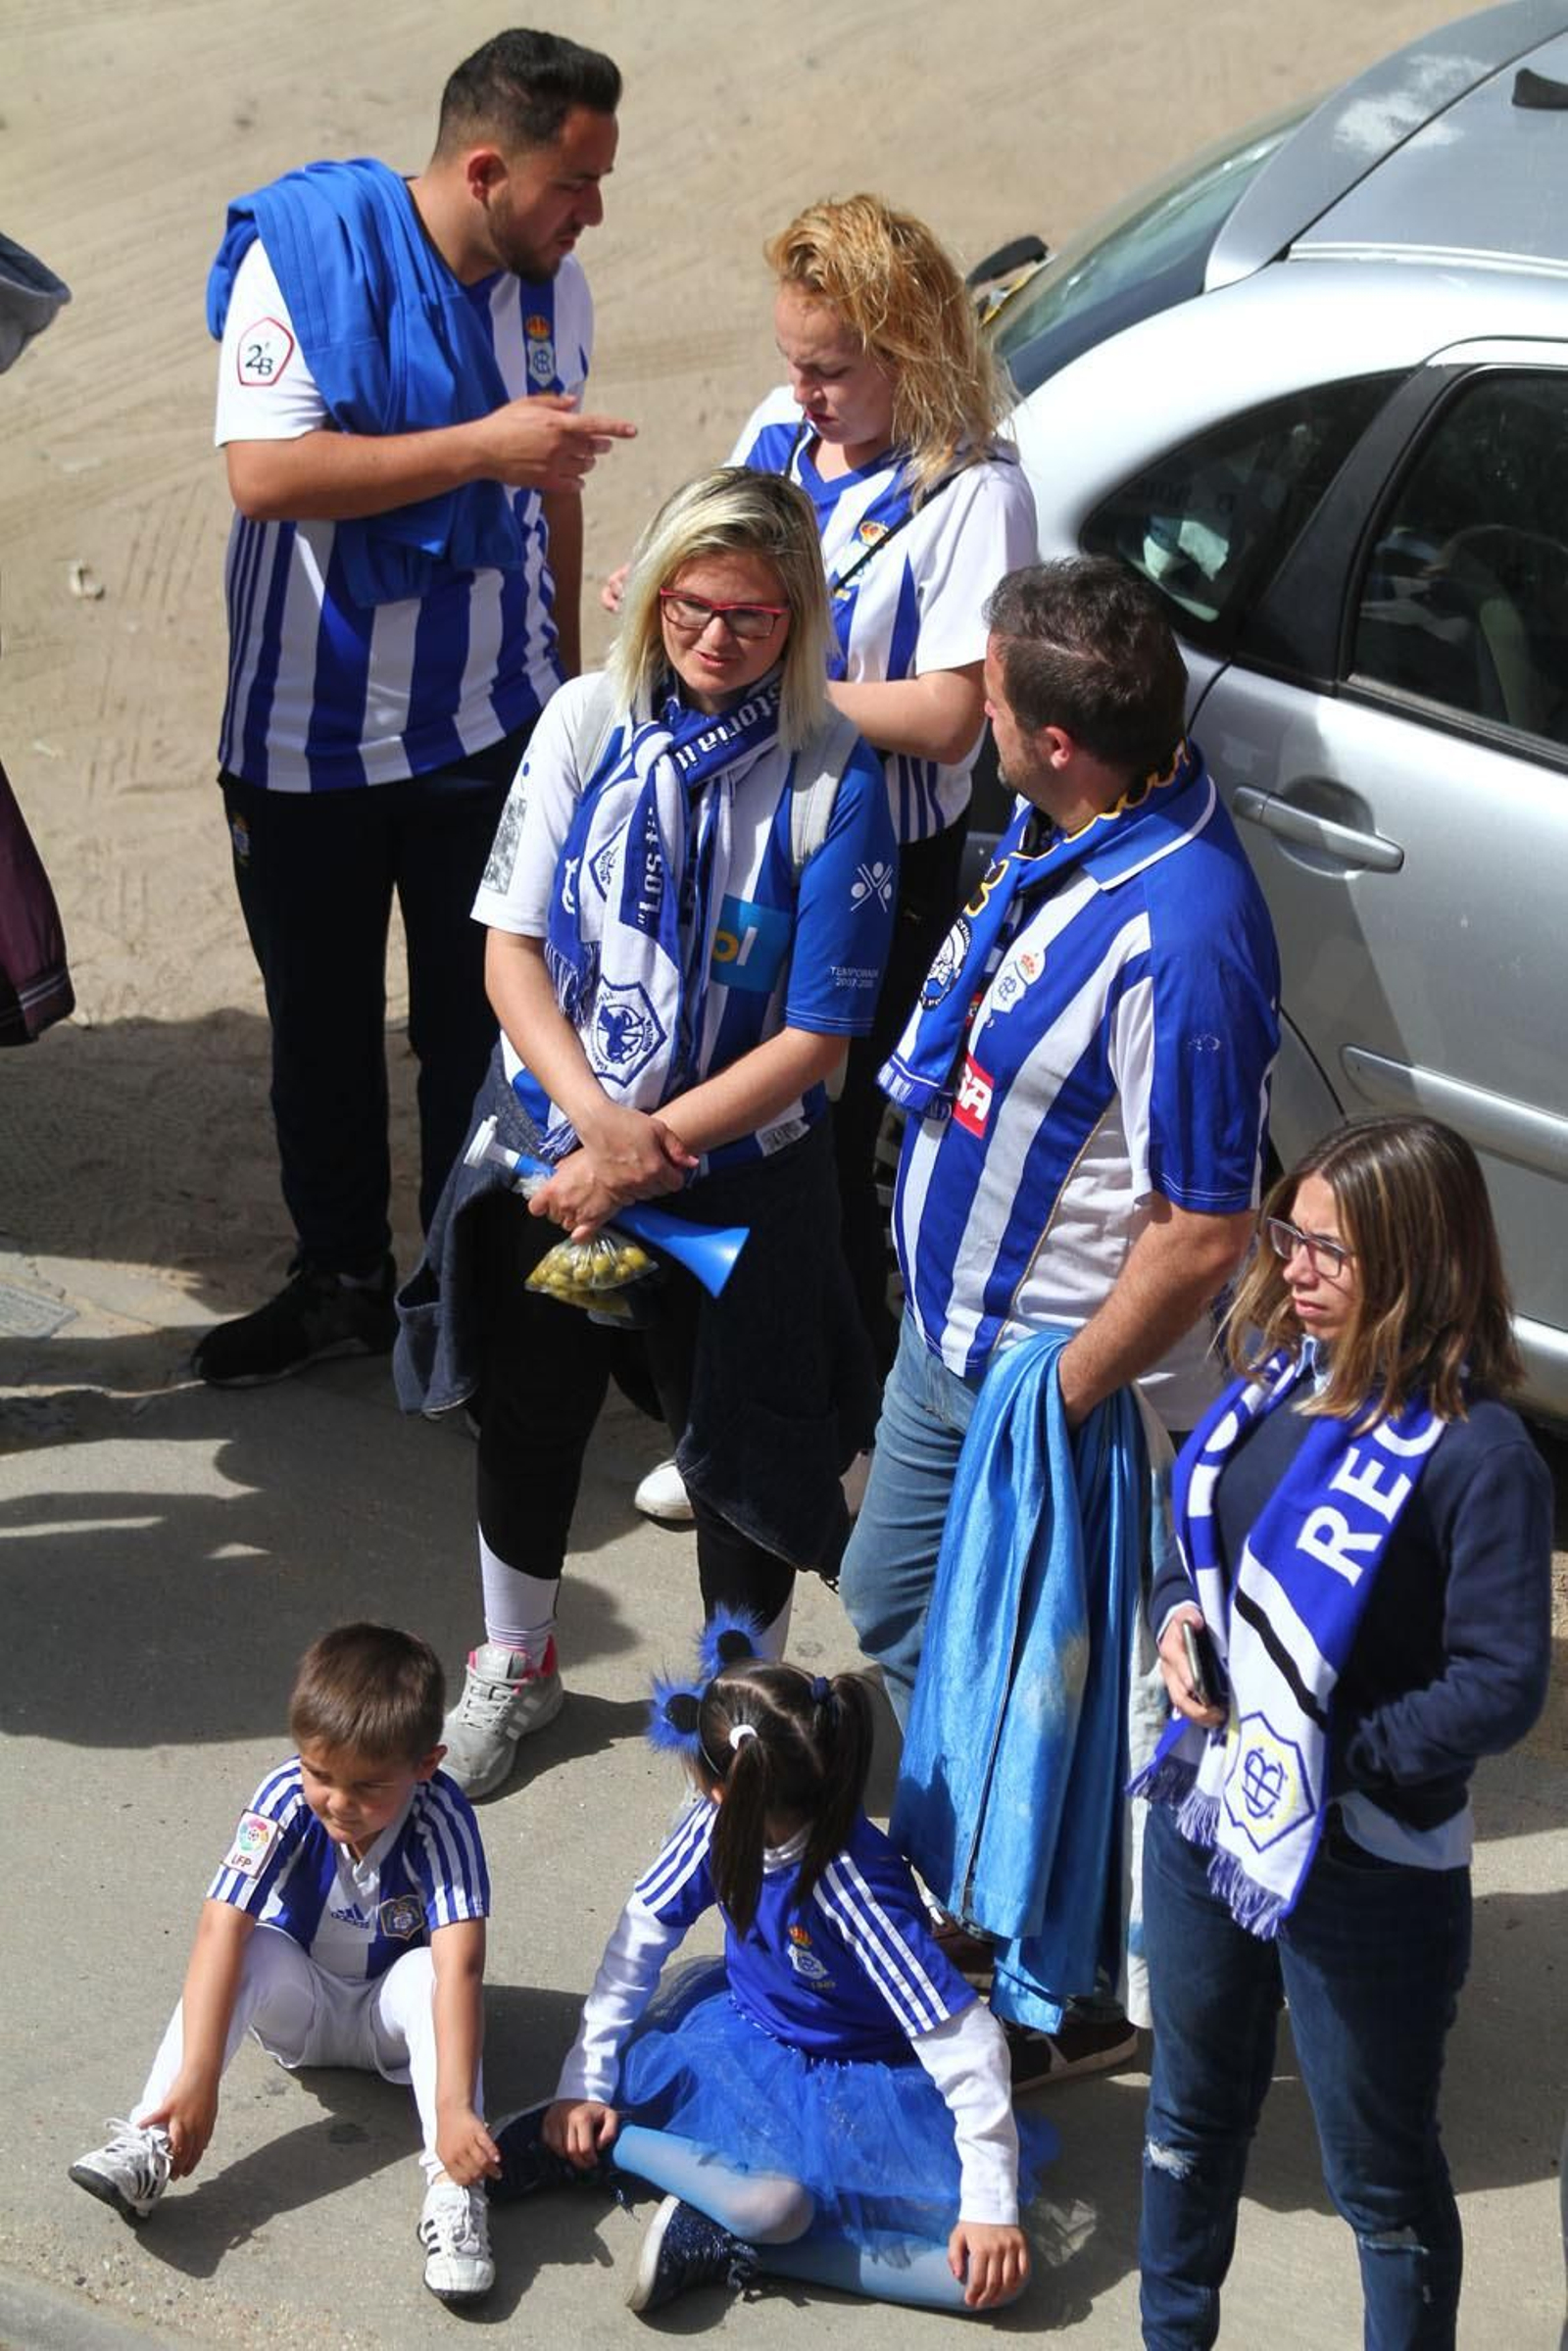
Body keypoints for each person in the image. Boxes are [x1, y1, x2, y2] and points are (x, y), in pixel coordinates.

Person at [839, 555, 1280, 2087]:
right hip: (953, 1344)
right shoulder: (1075, 814)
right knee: (899, 1603)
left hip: (1055, 1394)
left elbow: (1205, 1225)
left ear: (1057, 739)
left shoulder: (1187, 933)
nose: (975, 705)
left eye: (992, 691)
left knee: (1066, 1705)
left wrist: (1066, 1393)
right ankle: (989, 1891)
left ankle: (1076, 1984)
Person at [394, 467, 896, 1797]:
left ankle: (743, 1705)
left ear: (798, 619)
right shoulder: (584, 719)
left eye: (752, 614)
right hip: (560, 1154)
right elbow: (509, 951)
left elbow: (815, 1040)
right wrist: (596, 1132)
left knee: (740, 1456)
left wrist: (640, 1148)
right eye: (691, 603)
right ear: (656, 591)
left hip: (733, 1181)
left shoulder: (833, 772)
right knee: (532, 1404)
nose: (716, 636)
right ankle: (518, 1659)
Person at [193, 29, 636, 1387]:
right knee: (322, 1033)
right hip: (305, 746)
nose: (592, 212)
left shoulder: (552, 294)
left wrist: (564, 696)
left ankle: (462, 1292)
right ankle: (339, 1279)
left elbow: (552, 490)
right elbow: (265, 475)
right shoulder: (305, 260)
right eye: (574, 183)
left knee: (478, 1031)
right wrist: (483, 446)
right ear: (488, 170)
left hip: (484, 735)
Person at [630, 194, 1038, 1525]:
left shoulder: (975, 491)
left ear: (910, 351)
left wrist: (773, 688)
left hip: (878, 872)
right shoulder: (777, 430)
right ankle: (726, 1420)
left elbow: (951, 713)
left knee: (825, 1155)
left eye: (830, 367)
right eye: (794, 360)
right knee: (718, 1124)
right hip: (738, 838)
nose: (803, 392)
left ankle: (843, 1440)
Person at [1135, 1115, 1551, 2349]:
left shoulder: (1481, 1455)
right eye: (1290, 1233)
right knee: (1187, 2119)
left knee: (1380, 2178)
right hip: (1209, 1816)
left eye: (1329, 1248)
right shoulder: (1274, 1373)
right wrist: (1173, 1619)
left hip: (1368, 1867)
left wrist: (1335, 1751)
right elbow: (1190, 1547)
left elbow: (1500, 1683)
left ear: (1416, 1262)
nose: (1293, 1265)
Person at [488, 1616, 1052, 2316]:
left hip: (860, 2087)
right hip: (732, 2048)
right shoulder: (710, 1830)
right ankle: (601, 2142)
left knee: (986, 2280)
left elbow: (967, 2039)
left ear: (720, 1787)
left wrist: (990, 2204)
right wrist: (583, 2084)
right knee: (774, 2203)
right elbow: (637, 1943)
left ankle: (725, 2233)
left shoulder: (852, 1887)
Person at [68, 1624, 501, 2306]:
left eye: (368, 1785)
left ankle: (454, 2189)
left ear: (426, 1764)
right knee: (256, 1943)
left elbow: (462, 1965)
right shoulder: (282, 1796)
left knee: (429, 1974)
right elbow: (220, 1925)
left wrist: (453, 2107)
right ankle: (155, 2137)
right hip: (302, 2005)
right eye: (319, 1773)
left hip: (390, 2015)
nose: (338, 1801)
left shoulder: (441, 1816)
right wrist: (199, 2077)